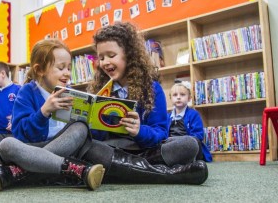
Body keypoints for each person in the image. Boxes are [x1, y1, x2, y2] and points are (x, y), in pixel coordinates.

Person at [81, 22, 208, 184]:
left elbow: (160, 133)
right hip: (112, 150)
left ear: (129, 54)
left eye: (111, 55)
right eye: (101, 57)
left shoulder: (152, 89)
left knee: (189, 144)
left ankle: (125, 172)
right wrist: (92, 120)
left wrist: (139, 130)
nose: (105, 62)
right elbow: (96, 138)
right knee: (89, 149)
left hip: (145, 150)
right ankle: (167, 174)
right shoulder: (99, 90)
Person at [0, 39, 105, 191]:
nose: (67, 73)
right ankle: (75, 169)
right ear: (39, 70)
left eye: (69, 68)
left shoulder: (69, 93)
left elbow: (78, 135)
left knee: (81, 128)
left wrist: (95, 120)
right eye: (61, 68)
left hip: (65, 147)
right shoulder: (27, 92)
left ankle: (21, 172)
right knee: (6, 144)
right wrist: (43, 112)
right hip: (33, 148)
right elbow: (21, 133)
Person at [167, 81, 212, 162]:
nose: (178, 97)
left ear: (189, 98)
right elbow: (164, 133)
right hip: (171, 145)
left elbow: (198, 135)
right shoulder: (167, 116)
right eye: (175, 95)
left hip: (188, 145)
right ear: (171, 98)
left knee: (193, 145)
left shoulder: (193, 114)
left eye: (182, 94)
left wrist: (185, 142)